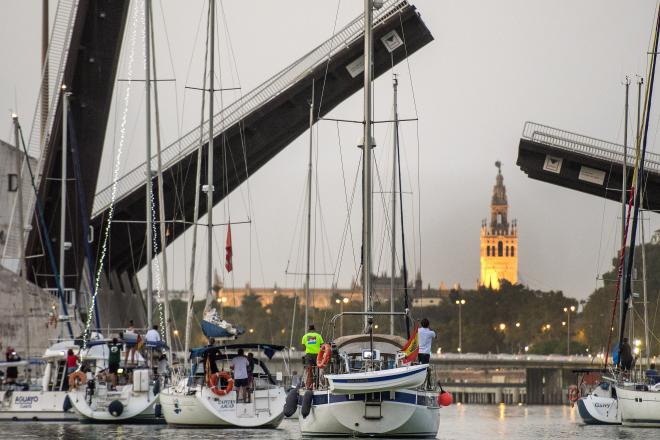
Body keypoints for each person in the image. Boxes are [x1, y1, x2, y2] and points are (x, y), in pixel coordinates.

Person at [301, 324, 324, 388]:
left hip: (309, 355)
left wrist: (309, 346)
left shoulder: (305, 336)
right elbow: (322, 345)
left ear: (309, 330)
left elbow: (303, 347)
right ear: (314, 329)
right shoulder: (318, 336)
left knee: (309, 371)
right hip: (317, 355)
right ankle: (317, 385)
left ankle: (309, 386)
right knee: (317, 369)